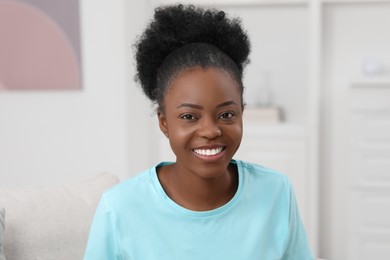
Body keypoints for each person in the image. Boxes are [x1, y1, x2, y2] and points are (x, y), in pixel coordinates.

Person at [84, 4, 313, 260]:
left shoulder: (275, 192)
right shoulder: (119, 208)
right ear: (164, 122)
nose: (211, 131)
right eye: (189, 117)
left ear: (242, 112)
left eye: (226, 114)